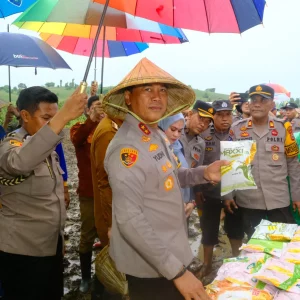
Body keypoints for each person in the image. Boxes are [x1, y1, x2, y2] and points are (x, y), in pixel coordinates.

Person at [102, 57, 228, 300]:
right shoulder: (127, 149)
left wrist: (203, 172)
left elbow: (169, 176)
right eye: (147, 89)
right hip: (152, 265)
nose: (157, 96)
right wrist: (178, 273)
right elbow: (130, 220)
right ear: (128, 97)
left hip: (169, 251)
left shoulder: (152, 133)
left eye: (162, 90)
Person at [0, 86, 87, 300]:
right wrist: (64, 116)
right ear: (25, 116)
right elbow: (20, 163)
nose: (53, 124)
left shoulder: (46, 148)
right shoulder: (11, 146)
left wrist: (60, 241)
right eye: (46, 117)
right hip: (22, 251)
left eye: (55, 117)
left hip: (50, 247)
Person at [224, 84, 300, 238]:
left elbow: (293, 164)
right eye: (253, 99)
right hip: (249, 200)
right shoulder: (237, 129)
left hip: (279, 199)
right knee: (255, 246)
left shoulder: (283, 128)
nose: (257, 103)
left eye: (263, 100)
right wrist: (227, 195)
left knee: (282, 245)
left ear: (272, 104)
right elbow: (230, 164)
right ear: (248, 103)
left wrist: (297, 196)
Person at [199, 100, 244, 278]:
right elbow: (198, 164)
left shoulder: (239, 134)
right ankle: (207, 264)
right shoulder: (203, 135)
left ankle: (236, 262)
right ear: (213, 117)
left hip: (234, 192)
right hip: (210, 193)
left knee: (235, 228)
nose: (225, 119)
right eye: (220, 115)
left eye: (228, 114)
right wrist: (198, 190)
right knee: (208, 229)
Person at [70, 93, 105, 293]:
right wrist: (91, 121)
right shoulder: (79, 129)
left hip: (110, 194)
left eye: (103, 107)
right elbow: (77, 140)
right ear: (88, 109)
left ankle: (106, 273)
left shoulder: (112, 130)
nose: (100, 111)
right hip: (89, 193)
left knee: (110, 235)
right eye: (96, 107)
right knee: (87, 236)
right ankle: (84, 277)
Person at [159, 113, 195, 218]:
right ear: (162, 126)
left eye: (180, 131)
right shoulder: (154, 150)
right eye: (172, 129)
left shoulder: (179, 147)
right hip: (165, 212)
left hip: (185, 208)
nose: (176, 135)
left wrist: (191, 202)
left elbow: (186, 174)